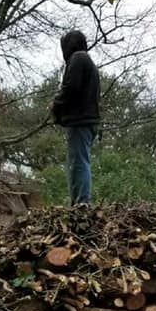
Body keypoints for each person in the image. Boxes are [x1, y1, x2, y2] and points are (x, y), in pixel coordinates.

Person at [51, 29, 101, 205]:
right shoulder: (87, 62)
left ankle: (82, 203)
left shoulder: (79, 58)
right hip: (85, 121)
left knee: (79, 163)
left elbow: (70, 89)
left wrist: (55, 105)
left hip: (81, 121)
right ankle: (77, 202)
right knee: (75, 162)